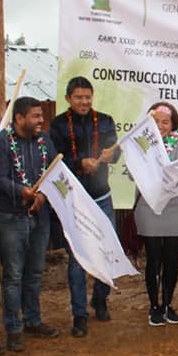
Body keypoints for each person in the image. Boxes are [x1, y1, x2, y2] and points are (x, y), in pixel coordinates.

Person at [49, 77, 120, 336]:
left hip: (102, 196)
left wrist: (112, 155)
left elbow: (117, 152)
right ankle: (79, 314)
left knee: (105, 252)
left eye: (88, 97)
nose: (84, 102)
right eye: (79, 97)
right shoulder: (57, 125)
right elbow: (54, 160)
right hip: (74, 201)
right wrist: (80, 163)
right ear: (68, 98)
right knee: (77, 260)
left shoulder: (105, 120)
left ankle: (100, 299)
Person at [0, 96, 60, 350]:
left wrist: (41, 195)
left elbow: (52, 170)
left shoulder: (45, 140)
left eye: (42, 115)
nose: (41, 120)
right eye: (35, 116)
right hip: (11, 216)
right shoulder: (0, 143)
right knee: (14, 275)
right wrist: (23, 192)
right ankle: (13, 328)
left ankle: (33, 320)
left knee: (35, 272)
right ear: (19, 118)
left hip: (40, 216)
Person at [136, 102, 178, 326]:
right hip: (148, 206)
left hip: (173, 206)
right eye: (156, 121)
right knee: (153, 259)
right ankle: (154, 306)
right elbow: (133, 173)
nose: (160, 126)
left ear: (172, 124)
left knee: (171, 259)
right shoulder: (140, 142)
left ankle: (168, 304)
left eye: (165, 122)